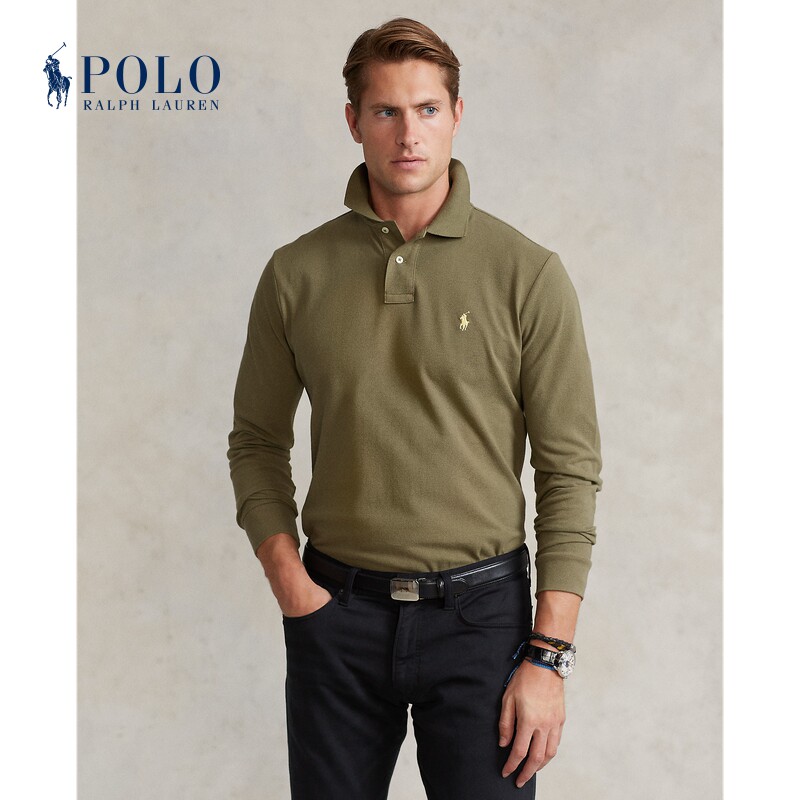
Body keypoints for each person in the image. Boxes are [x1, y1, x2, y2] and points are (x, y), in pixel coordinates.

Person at [227, 17, 601, 799]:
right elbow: (256, 441)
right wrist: (292, 584)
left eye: (428, 109)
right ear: (354, 120)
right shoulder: (296, 273)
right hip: (336, 614)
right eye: (387, 111)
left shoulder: (527, 274)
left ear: (457, 115)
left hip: (484, 623)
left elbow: (568, 471)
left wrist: (548, 655)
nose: (409, 134)